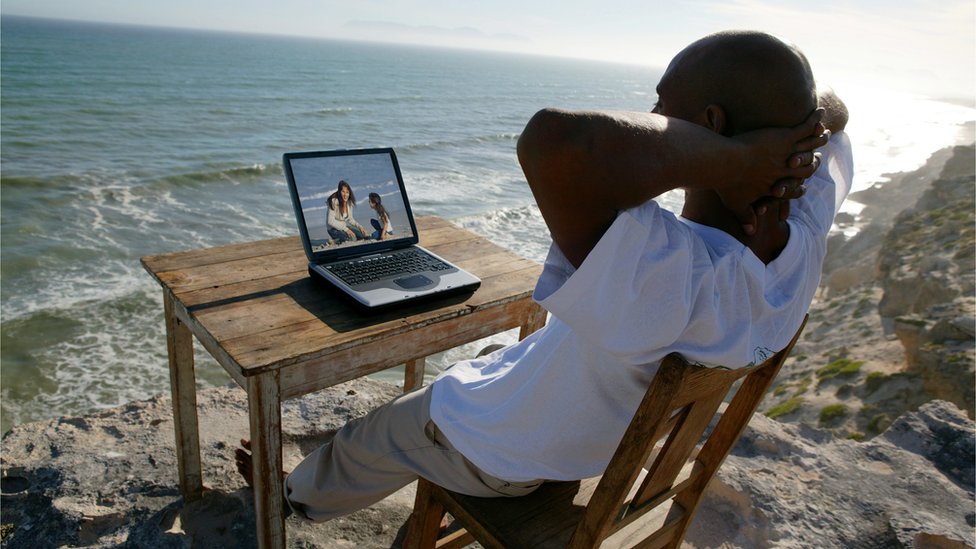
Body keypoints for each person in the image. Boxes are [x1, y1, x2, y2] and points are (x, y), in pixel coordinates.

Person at [236, 30, 852, 522]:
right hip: (589, 443)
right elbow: (833, 112)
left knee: (377, 432)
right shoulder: (803, 234)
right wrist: (773, 145)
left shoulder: (670, 274)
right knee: (486, 366)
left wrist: (739, 158)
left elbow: (555, 141)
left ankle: (294, 499)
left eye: (664, 105)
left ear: (711, 127)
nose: (652, 115)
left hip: (510, 455)